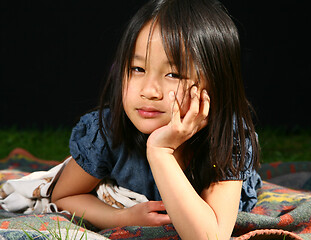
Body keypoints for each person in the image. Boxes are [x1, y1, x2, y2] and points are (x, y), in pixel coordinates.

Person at [51, 0, 262, 239]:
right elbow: (64, 197)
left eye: (173, 74)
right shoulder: (108, 130)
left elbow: (209, 236)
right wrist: (123, 217)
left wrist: (160, 151)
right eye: (137, 69)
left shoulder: (227, 137)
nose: (149, 91)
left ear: (215, 83)